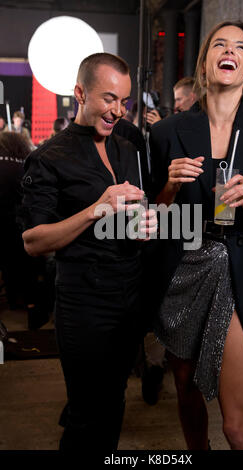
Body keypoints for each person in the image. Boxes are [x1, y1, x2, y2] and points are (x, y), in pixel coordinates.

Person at [149, 20, 243, 450]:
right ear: (205, 61)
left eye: (240, 46)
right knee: (185, 388)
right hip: (180, 268)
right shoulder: (165, 133)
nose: (229, 50)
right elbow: (150, 218)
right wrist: (169, 187)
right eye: (219, 44)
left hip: (236, 268)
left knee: (235, 423)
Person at [21, 52, 157, 453]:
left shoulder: (130, 140)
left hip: (129, 294)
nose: (118, 110)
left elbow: (135, 208)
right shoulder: (49, 158)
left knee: (114, 403)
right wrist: (98, 207)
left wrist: (144, 225)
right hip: (84, 304)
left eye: (124, 101)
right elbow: (33, 241)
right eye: (108, 99)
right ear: (80, 93)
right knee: (86, 414)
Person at [0, 131, 50, 329]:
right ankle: (33, 312)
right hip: (19, 232)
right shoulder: (24, 169)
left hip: (3, 233)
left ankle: (13, 300)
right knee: (28, 267)